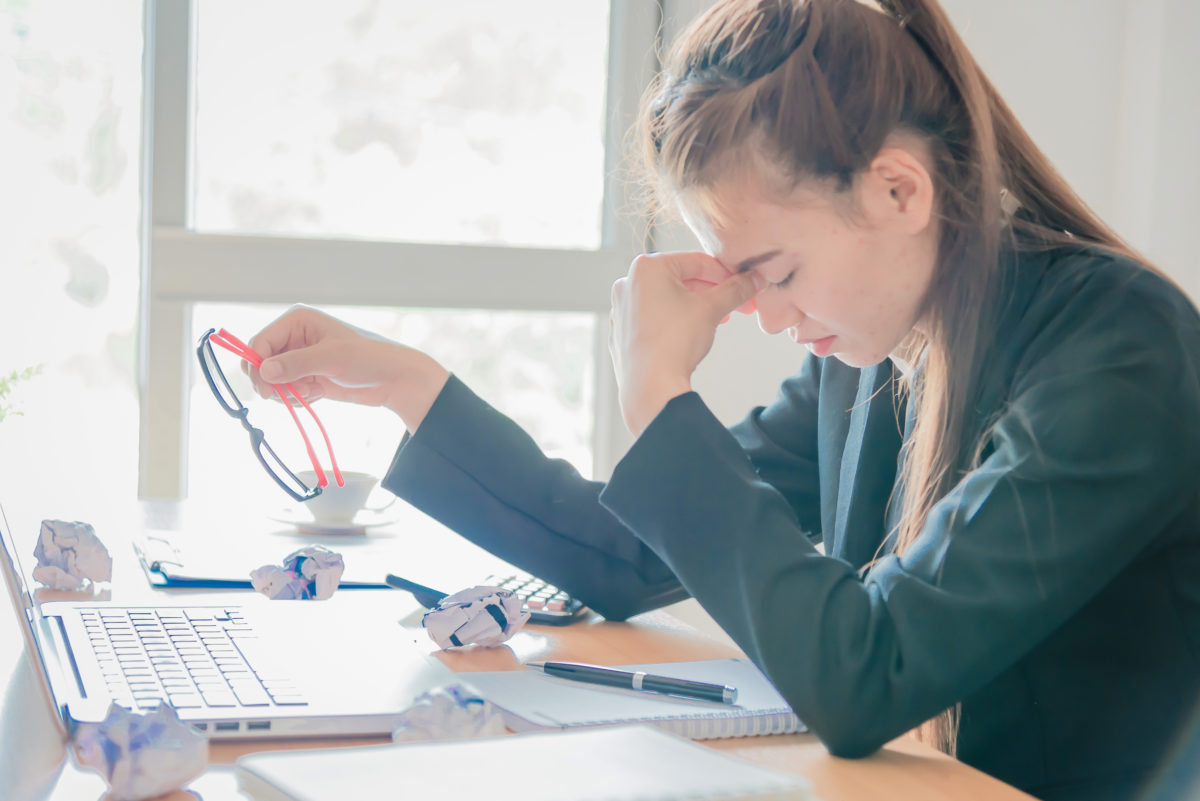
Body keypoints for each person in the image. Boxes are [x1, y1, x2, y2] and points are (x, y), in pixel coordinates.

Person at [241, 1, 1200, 798]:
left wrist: (661, 394)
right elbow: (624, 555)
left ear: (899, 191)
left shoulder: (1122, 351)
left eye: (775, 272)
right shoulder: (879, 352)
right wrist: (411, 385)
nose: (772, 319)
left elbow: (868, 676)